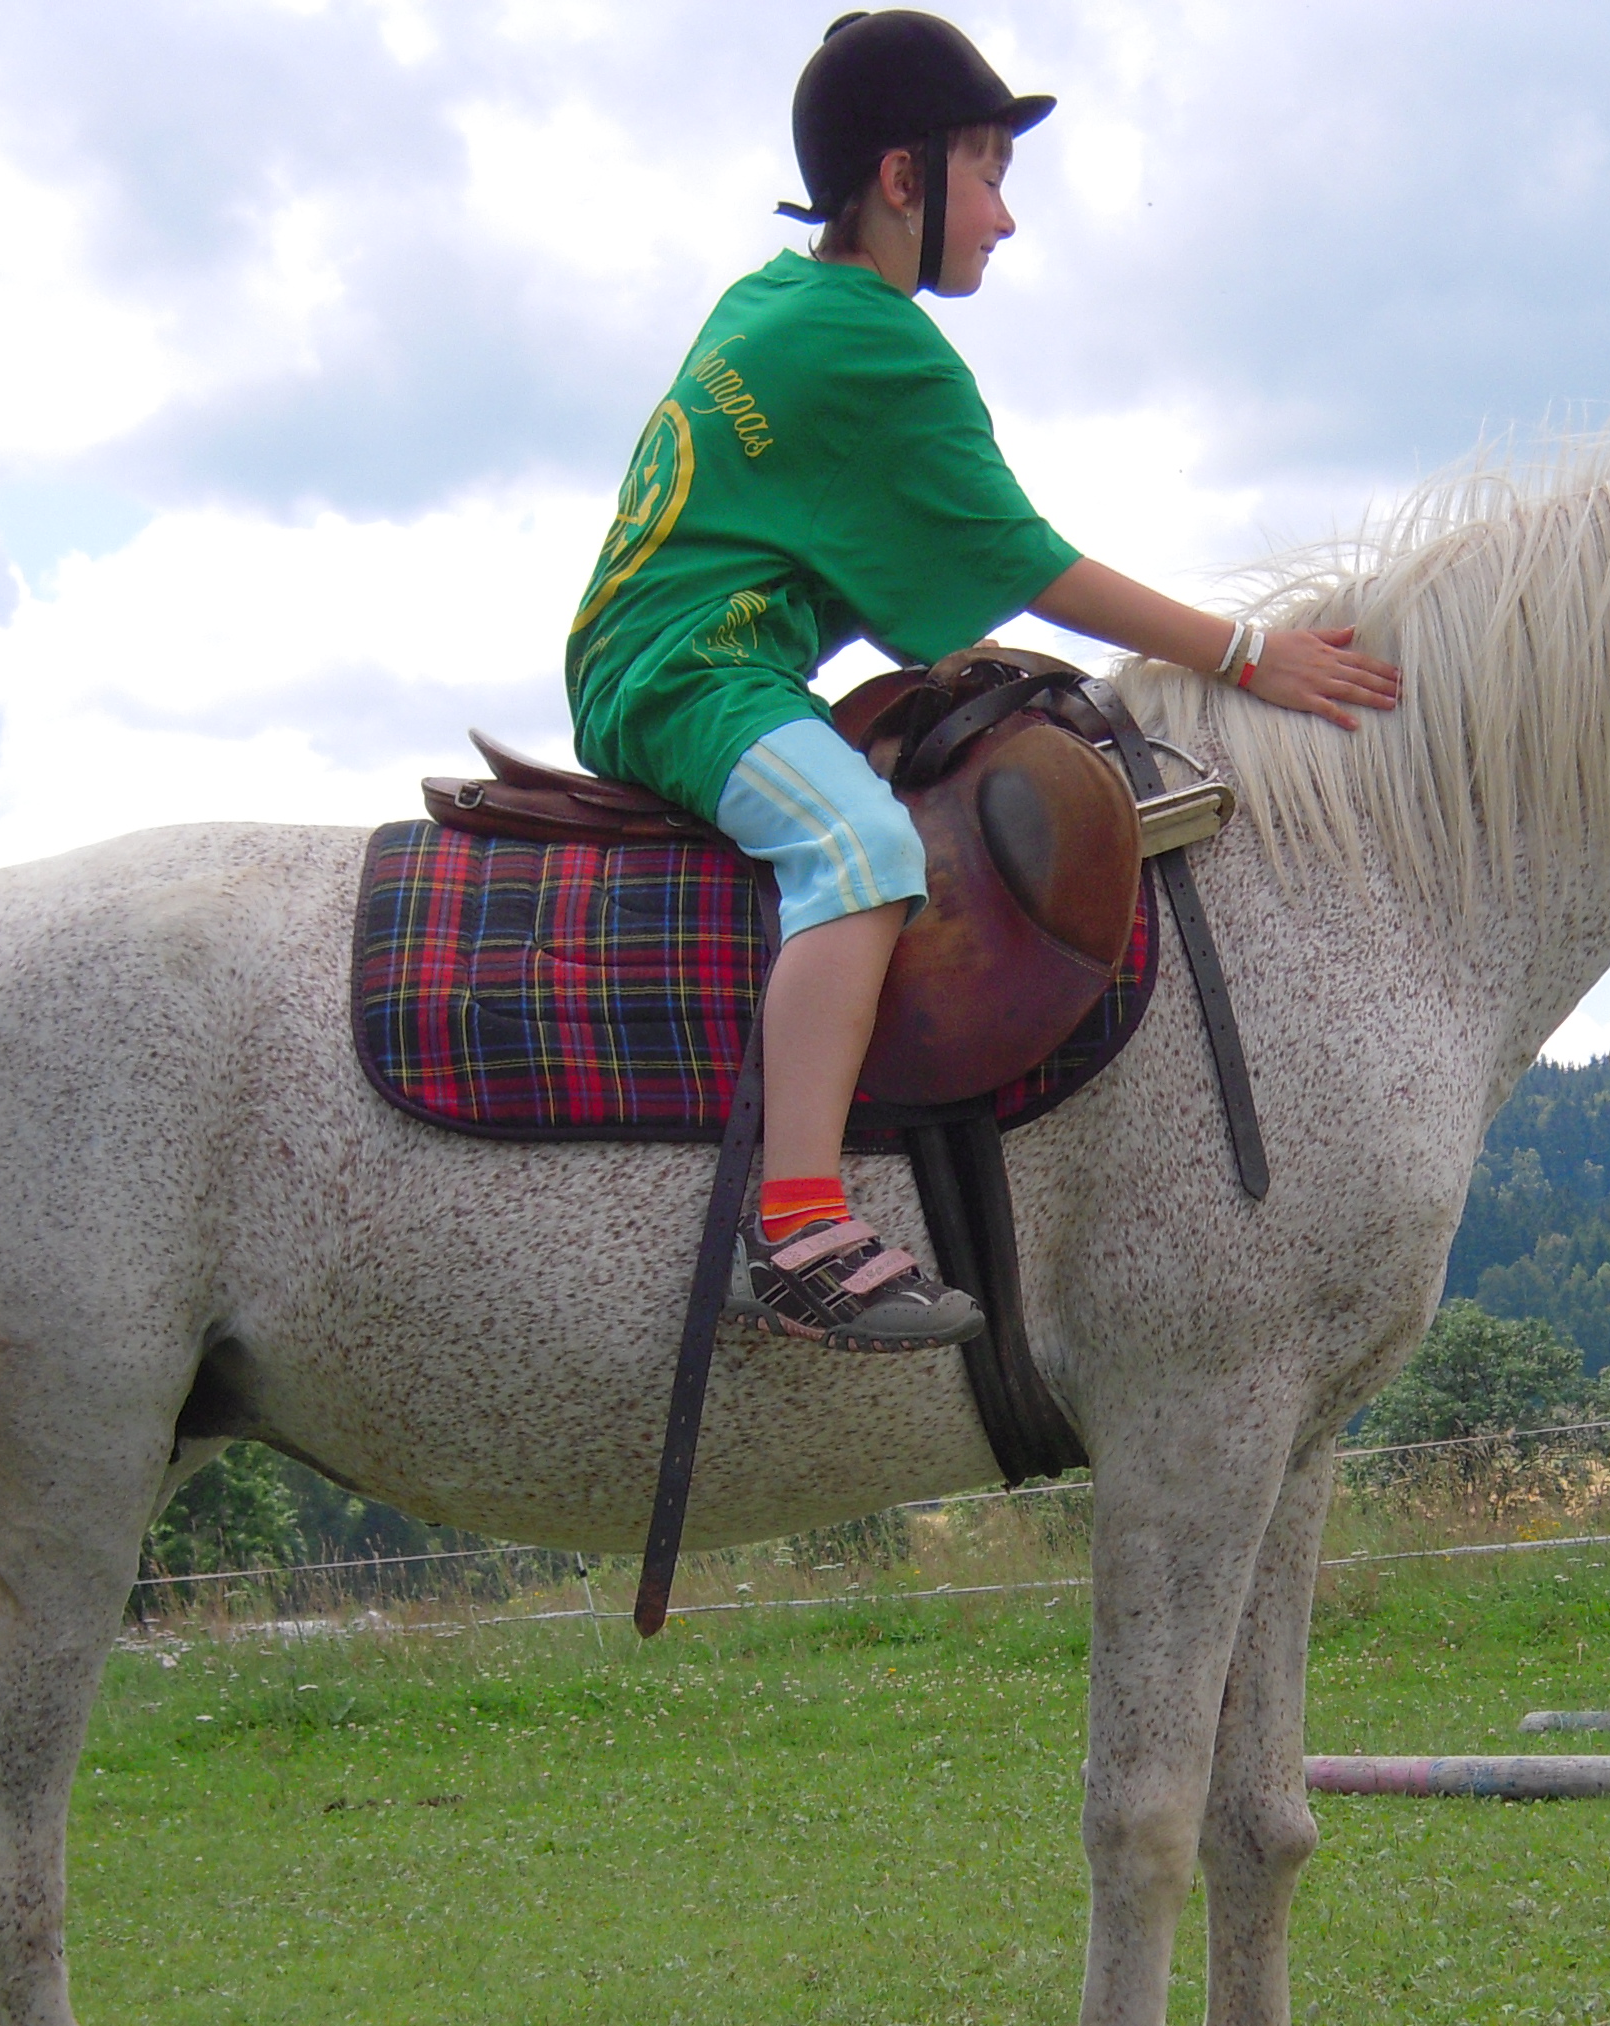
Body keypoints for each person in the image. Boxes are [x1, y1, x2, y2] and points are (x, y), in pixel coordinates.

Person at [566, 10, 1400, 1349]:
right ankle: (795, 1228)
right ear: (904, 179)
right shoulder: (878, 346)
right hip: (696, 673)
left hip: (661, 649)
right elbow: (1027, 560)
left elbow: (857, 543)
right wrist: (1249, 654)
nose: (1007, 219)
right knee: (860, 850)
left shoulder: (774, 298)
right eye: (990, 175)